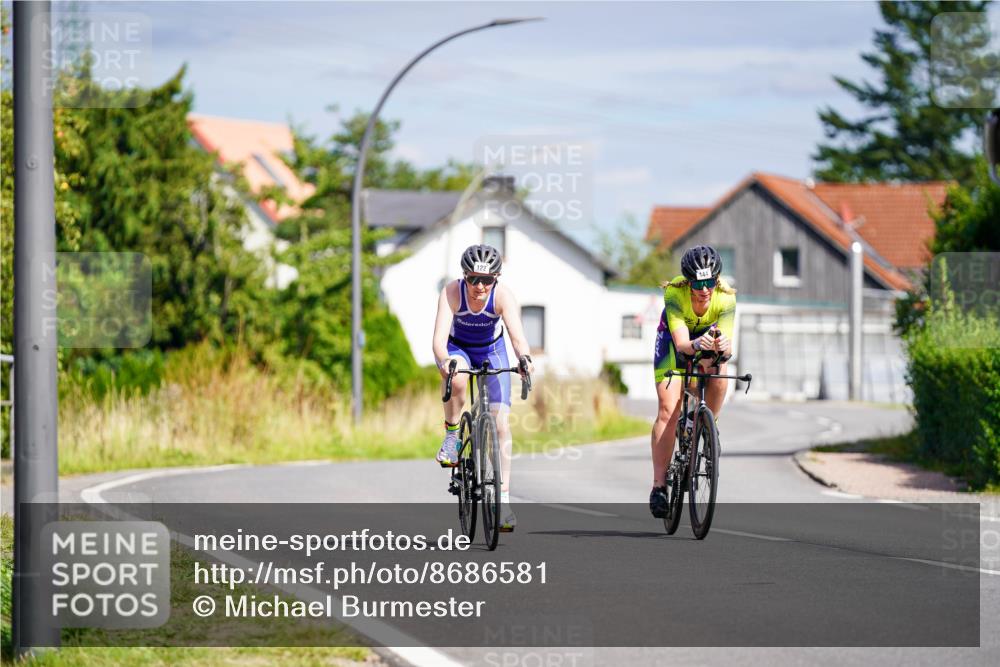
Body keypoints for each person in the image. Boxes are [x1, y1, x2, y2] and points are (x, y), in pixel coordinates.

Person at [432, 244, 534, 532]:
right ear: (464, 277)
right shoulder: (452, 292)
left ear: (496, 279)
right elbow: (439, 340)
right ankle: (452, 435)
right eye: (474, 279)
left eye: (487, 280)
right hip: (459, 349)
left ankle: (502, 501)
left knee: (500, 424)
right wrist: (445, 362)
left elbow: (517, 338)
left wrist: (525, 359)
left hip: (492, 351)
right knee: (460, 378)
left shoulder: (503, 296)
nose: (480, 286)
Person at [649, 245, 736, 518]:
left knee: (720, 366)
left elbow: (729, 348)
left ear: (717, 279)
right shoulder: (675, 293)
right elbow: (683, 344)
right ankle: (659, 486)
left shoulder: (726, 298)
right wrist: (698, 342)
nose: (704, 289)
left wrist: (722, 345)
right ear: (688, 281)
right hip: (675, 344)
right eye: (698, 283)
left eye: (709, 282)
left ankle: (710, 425)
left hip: (706, 342)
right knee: (668, 409)